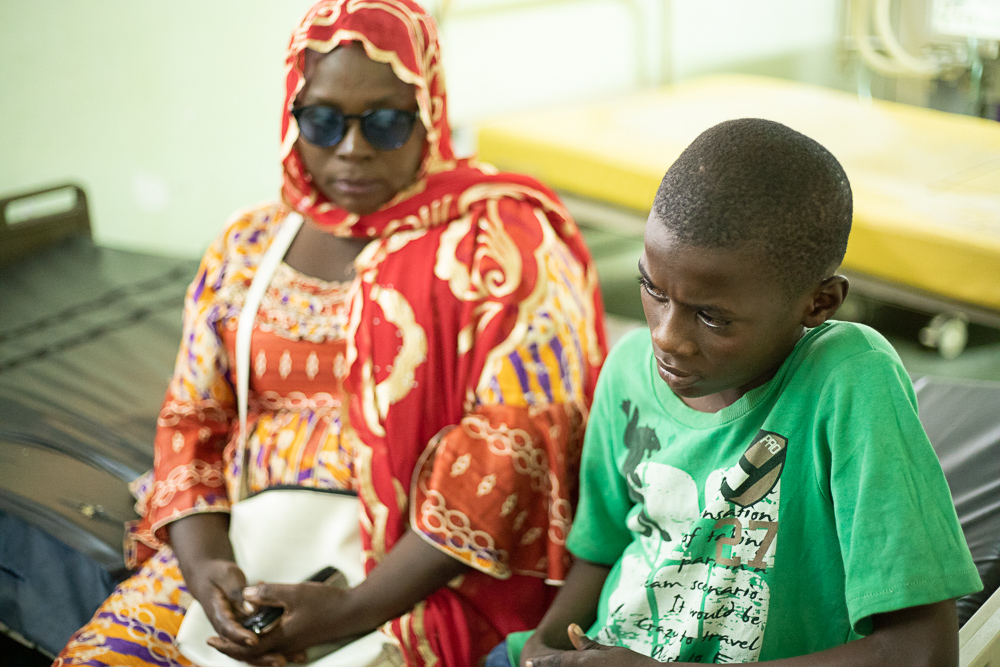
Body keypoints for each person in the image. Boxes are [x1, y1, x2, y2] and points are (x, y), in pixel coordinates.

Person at [55, 1, 606, 665]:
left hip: (416, 583)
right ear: (293, 113)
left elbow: (514, 449)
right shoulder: (248, 245)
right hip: (243, 552)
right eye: (322, 120)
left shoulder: (501, 250)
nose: (352, 147)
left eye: (386, 122)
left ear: (429, 111)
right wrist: (207, 573)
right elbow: (193, 421)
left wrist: (351, 608)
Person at [503, 118, 983, 666]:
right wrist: (543, 647)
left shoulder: (848, 380)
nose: (666, 338)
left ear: (819, 303)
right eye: (652, 289)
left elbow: (922, 652)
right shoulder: (629, 370)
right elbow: (602, 550)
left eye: (711, 317)